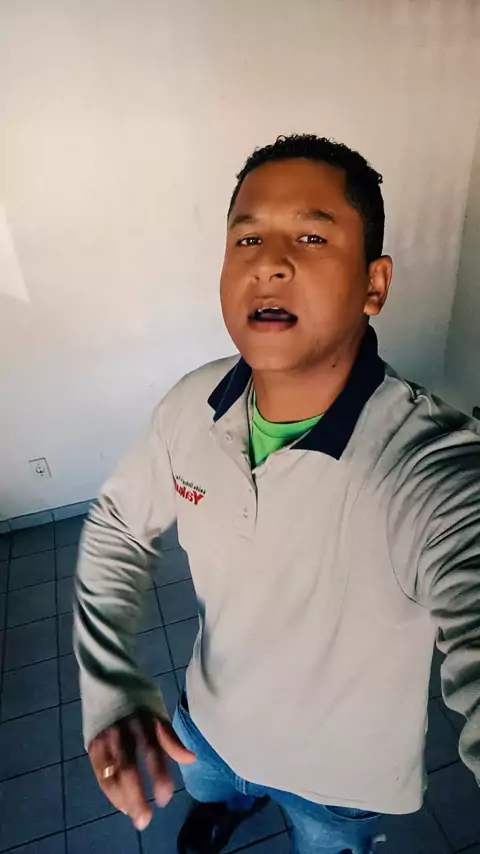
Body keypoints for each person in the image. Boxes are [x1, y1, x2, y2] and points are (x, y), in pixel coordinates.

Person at [74, 134, 480, 854]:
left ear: (374, 285)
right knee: (211, 792)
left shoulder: (428, 466)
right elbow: (117, 525)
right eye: (248, 238)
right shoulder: (191, 405)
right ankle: (224, 808)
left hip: (338, 781)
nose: (269, 262)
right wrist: (110, 683)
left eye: (312, 236)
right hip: (208, 726)